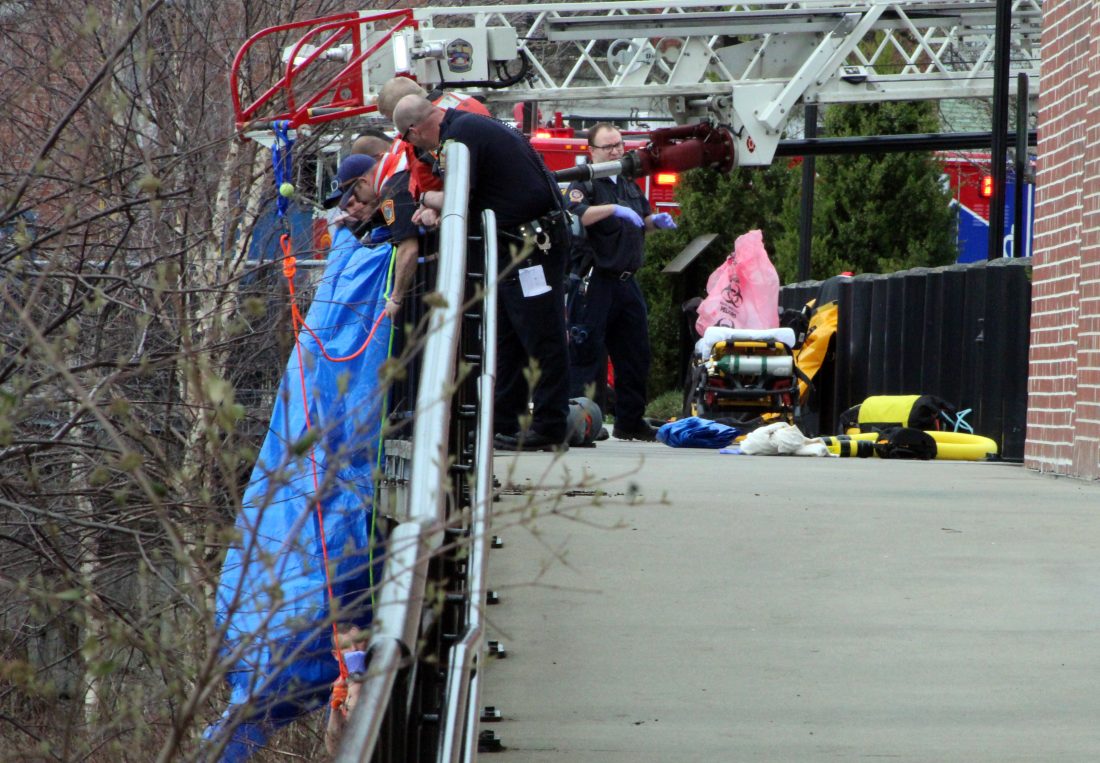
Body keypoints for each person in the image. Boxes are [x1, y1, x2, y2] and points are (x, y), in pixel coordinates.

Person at [393, 93, 571, 451]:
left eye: (408, 140)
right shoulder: (467, 127)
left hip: (530, 247)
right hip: (517, 245)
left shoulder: (459, 138)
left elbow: (458, 196)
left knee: (542, 336)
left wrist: (424, 200)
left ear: (414, 130)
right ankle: (504, 420)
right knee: (508, 337)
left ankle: (550, 425)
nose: (416, 148)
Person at [564, 123, 678, 441]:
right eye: (609, 146)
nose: (616, 151)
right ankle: (584, 423)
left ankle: (630, 421)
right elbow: (576, 215)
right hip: (595, 280)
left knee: (635, 353)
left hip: (627, 282)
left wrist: (655, 222)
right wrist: (612, 209)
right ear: (592, 151)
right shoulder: (583, 182)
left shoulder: (628, 182)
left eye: (619, 144)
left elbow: (640, 221)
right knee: (587, 355)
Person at [376, 77, 490, 205]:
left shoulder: (424, 129)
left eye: (394, 119)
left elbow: (434, 181)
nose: (398, 127)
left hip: (464, 204)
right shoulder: (465, 101)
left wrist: (427, 202)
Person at [335, 154, 419, 320]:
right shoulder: (393, 179)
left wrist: (396, 298)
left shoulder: (391, 192)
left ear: (363, 182)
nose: (360, 201)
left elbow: (408, 248)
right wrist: (355, 226)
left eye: (356, 195)